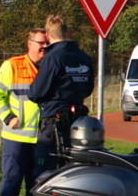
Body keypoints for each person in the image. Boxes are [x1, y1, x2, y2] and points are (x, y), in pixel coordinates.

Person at [0, 27, 49, 196]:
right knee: (11, 183)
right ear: (29, 43)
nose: (44, 47)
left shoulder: (50, 67)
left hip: (41, 139)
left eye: (46, 43)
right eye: (40, 43)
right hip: (16, 138)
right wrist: (8, 117)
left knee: (37, 188)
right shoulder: (12, 66)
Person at [28, 15, 95, 173]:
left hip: (54, 121)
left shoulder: (52, 58)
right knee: (74, 168)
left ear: (48, 36)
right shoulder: (84, 57)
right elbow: (88, 88)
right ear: (68, 33)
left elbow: (36, 93)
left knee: (45, 170)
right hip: (78, 120)